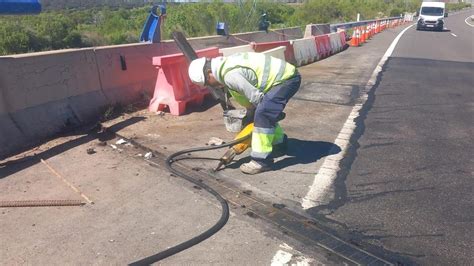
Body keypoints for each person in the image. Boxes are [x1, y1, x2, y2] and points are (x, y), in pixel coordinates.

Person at [188, 52, 301, 174]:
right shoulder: (225, 66)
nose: (211, 86)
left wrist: (267, 112)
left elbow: (257, 98)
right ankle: (279, 144)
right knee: (264, 115)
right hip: (283, 77)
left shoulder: (230, 75)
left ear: (210, 72)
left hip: (286, 79)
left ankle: (261, 161)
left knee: (263, 114)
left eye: (208, 83)